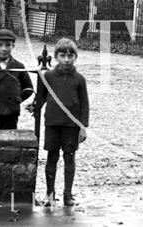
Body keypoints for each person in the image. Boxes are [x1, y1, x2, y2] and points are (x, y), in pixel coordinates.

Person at [34, 38, 89, 207]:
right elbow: (41, 98)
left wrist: (82, 127)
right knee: (51, 158)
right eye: (62, 55)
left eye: (70, 56)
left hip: (71, 126)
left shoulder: (79, 79)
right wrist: (34, 106)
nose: (66, 59)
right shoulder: (48, 76)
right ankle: (50, 194)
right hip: (52, 124)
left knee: (69, 158)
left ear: (75, 58)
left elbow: (84, 104)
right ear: (55, 57)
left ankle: (68, 195)